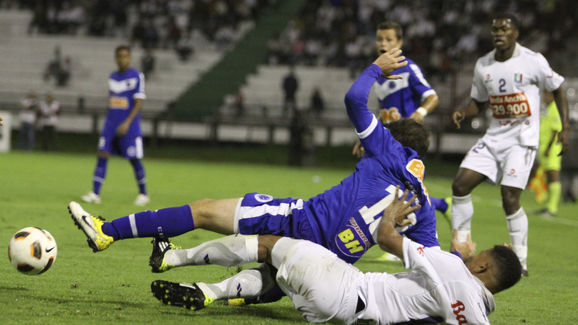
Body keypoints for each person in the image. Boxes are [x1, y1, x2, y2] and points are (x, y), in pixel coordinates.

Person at [69, 48, 440, 274]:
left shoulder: (389, 150)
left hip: (304, 221)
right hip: (335, 266)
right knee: (270, 273)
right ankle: (183, 266)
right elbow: (436, 261)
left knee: (203, 212)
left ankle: (109, 232)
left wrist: (375, 67)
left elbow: (354, 100)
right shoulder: (421, 201)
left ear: (396, 139)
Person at [150, 188, 522, 324]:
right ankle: (209, 291)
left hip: (347, 286)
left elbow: (388, 240)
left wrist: (391, 214)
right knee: (277, 269)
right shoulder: (475, 311)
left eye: (481, 254)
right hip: (337, 314)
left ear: (483, 265)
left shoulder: (453, 267)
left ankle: (175, 258)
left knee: (267, 243)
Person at [450, 13, 569, 277]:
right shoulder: (484, 64)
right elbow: (479, 102)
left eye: (505, 28)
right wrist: (463, 112)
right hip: (494, 138)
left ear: (516, 32)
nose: (499, 33)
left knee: (509, 197)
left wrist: (566, 127)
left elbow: (558, 87)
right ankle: (462, 250)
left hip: (521, 141)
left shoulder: (532, 61)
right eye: (495, 29)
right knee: (460, 185)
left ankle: (521, 260)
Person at [353, 22, 449, 261]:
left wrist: (420, 114)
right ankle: (443, 206)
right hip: (386, 139)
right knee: (389, 188)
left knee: (405, 190)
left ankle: (403, 243)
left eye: (388, 39)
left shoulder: (408, 68)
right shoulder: (382, 73)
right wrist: (365, 136)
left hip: (407, 140)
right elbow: (385, 110)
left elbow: (432, 96)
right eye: (380, 39)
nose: (383, 44)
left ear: (400, 43)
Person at [81, 45, 149, 206]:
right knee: (102, 155)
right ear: (115, 58)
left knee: (134, 159)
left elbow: (139, 103)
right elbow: (114, 102)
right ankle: (95, 193)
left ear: (130, 58)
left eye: (125, 56)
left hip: (129, 126)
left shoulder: (137, 76)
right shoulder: (112, 77)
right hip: (111, 124)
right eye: (119, 56)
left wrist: (126, 123)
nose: (122, 59)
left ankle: (143, 194)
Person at [533, 91, 563, 217]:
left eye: (546, 95)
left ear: (552, 96)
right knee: (548, 176)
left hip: (553, 148)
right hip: (545, 146)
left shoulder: (555, 108)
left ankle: (552, 208)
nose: (544, 98)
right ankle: (549, 206)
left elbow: (556, 130)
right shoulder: (548, 109)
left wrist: (549, 147)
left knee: (553, 175)